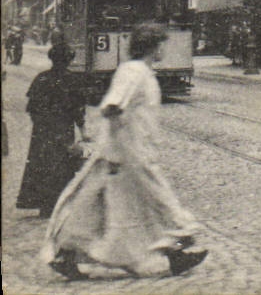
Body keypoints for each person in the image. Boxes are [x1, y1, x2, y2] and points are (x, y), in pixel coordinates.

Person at [40, 22, 208, 279]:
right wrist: (116, 117)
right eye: (162, 43)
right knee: (153, 202)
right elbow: (113, 104)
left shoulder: (142, 72)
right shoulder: (133, 71)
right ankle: (176, 248)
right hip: (126, 154)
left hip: (133, 153)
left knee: (120, 207)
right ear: (152, 45)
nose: (164, 48)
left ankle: (174, 254)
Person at [17, 39, 86, 215]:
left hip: (42, 131)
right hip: (64, 129)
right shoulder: (72, 80)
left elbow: (31, 108)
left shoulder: (41, 78)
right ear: (69, 60)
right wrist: (83, 130)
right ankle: (61, 203)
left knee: (41, 164)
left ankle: (44, 204)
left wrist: (41, 125)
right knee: (63, 165)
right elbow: (78, 109)